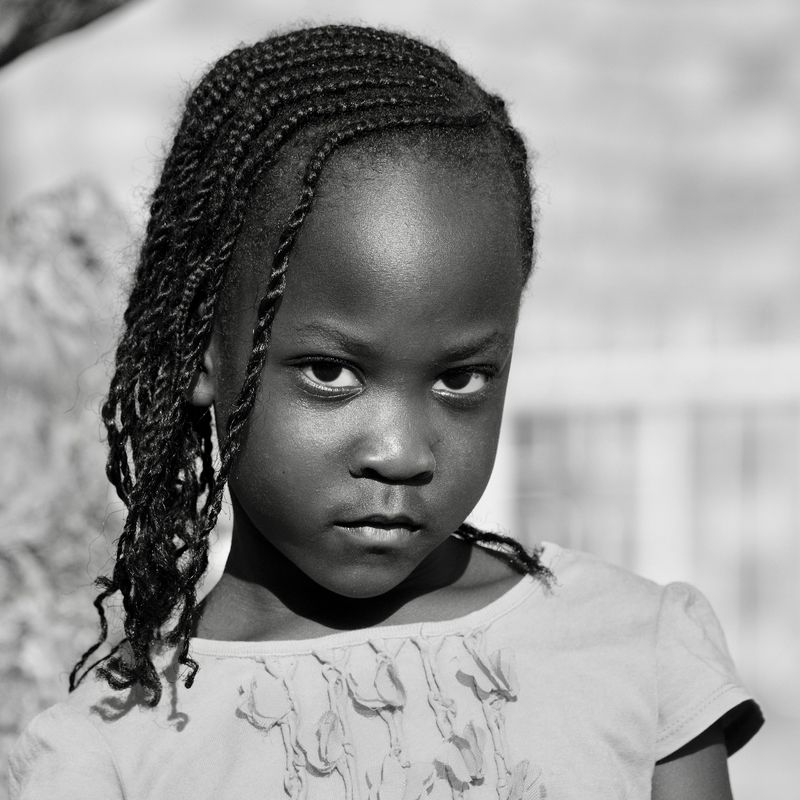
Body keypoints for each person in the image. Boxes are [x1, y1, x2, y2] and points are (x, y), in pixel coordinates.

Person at [8, 24, 762, 800]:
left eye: (461, 379)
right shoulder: (113, 755)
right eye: (332, 373)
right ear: (201, 349)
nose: (402, 452)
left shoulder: (636, 652)